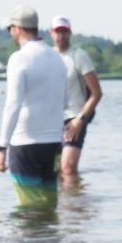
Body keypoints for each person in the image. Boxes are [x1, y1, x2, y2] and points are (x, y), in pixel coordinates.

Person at [0, 6, 67, 206]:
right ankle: (49, 237)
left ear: (17, 28)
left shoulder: (19, 58)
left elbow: (13, 104)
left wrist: (2, 147)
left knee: (29, 207)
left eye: (10, 28)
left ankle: (32, 238)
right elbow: (65, 100)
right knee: (49, 204)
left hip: (25, 143)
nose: (10, 32)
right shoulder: (57, 58)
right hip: (54, 144)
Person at [50, 16, 103, 177]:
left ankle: (75, 201)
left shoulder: (78, 55)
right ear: (51, 33)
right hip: (51, 119)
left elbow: (96, 93)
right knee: (55, 170)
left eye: (64, 31)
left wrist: (80, 120)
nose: (61, 35)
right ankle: (60, 201)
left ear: (70, 33)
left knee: (68, 168)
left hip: (74, 117)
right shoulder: (47, 56)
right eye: (57, 31)